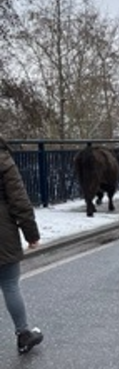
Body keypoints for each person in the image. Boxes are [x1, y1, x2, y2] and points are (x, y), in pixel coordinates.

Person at [0, 138, 44, 354]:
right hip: (2, 231)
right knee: (9, 284)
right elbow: (19, 201)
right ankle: (23, 334)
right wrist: (31, 234)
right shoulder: (3, 159)